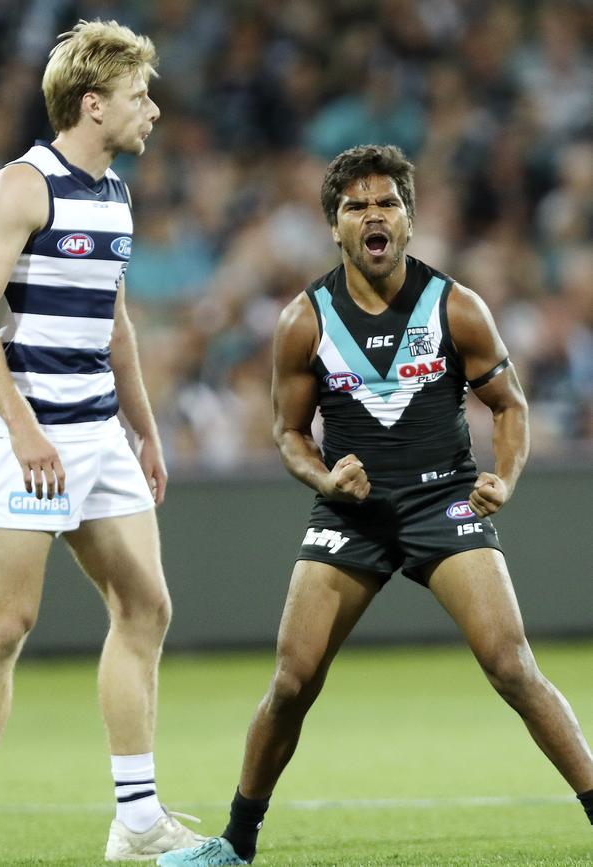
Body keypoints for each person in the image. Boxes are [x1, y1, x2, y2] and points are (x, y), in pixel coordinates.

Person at [158, 144, 593, 867]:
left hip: (443, 502)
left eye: (386, 202)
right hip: (351, 514)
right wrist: (325, 481)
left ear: (410, 219)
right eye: (356, 205)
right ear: (335, 225)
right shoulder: (306, 319)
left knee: (512, 665)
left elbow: (509, 406)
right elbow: (289, 435)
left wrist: (505, 480)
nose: (373, 214)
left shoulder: (456, 305)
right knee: (293, 680)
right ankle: (235, 843)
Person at [0, 20, 205, 867]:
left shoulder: (117, 196)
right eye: (138, 96)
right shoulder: (24, 186)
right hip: (32, 438)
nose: (152, 111)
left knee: (146, 607)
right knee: (5, 624)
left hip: (100, 437)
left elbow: (116, 324)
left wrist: (146, 428)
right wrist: (24, 432)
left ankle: (136, 820)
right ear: (93, 105)